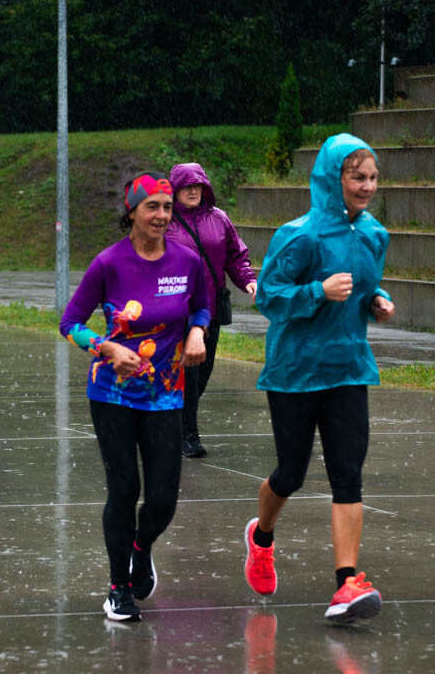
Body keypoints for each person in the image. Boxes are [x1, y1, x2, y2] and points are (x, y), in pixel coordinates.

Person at [242, 133, 395, 624]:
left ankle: (346, 584)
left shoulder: (374, 234)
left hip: (349, 367)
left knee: (348, 475)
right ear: (334, 178)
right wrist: (316, 291)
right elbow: (269, 297)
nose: (367, 186)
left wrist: (375, 302)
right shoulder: (299, 234)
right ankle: (261, 538)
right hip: (295, 371)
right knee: (292, 473)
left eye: (372, 177)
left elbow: (364, 285)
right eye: (357, 176)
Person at [59, 173, 210, 622]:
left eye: (167, 207)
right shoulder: (108, 264)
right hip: (113, 393)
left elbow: (202, 304)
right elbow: (70, 322)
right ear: (132, 213)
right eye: (154, 207)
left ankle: (140, 548)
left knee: (163, 498)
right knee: (124, 488)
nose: (163, 215)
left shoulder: (187, 262)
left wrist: (198, 331)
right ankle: (117, 588)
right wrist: (105, 347)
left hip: (166, 394)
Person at [165, 162, 257, 459]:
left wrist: (249, 281)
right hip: (178, 313)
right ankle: (188, 436)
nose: (193, 191)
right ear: (175, 190)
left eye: (198, 185)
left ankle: (170, 423)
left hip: (211, 310)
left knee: (202, 373)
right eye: (186, 186)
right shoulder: (165, 220)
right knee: (188, 374)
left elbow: (236, 256)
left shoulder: (219, 219)